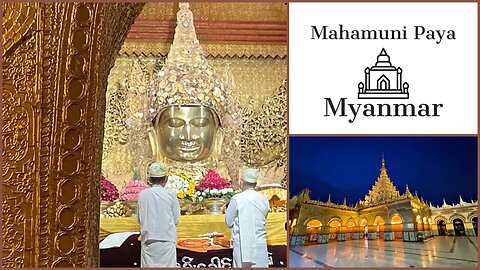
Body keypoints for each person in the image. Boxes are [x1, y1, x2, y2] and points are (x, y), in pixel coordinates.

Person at [137, 162, 180, 268]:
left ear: (150, 179)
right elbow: (176, 219)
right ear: (166, 179)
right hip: (166, 240)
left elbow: (139, 218)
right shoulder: (170, 195)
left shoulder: (143, 195)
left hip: (148, 240)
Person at [225, 168, 270, 268]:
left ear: (241, 182)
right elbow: (264, 218)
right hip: (260, 243)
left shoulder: (237, 199)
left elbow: (229, 222)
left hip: (242, 245)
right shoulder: (264, 199)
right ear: (255, 183)